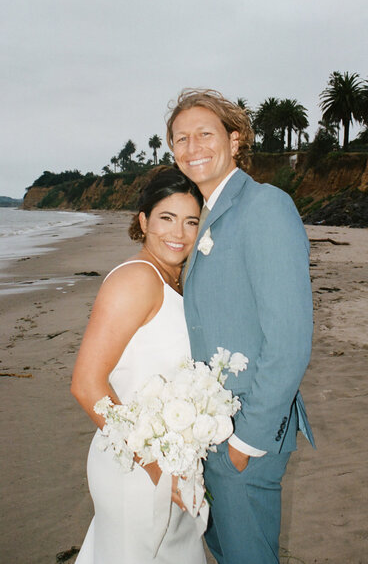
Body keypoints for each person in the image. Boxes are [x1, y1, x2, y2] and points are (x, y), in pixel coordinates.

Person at [166, 89, 315, 564]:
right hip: (210, 429)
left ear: (235, 140)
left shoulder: (265, 207)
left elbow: (289, 340)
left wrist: (246, 440)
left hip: (247, 432)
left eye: (204, 134)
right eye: (181, 138)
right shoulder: (204, 214)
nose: (192, 148)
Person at [71, 167, 206, 564]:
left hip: (172, 463)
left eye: (191, 221)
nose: (178, 233)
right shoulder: (136, 280)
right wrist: (156, 469)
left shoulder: (178, 280)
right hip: (136, 470)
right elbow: (86, 384)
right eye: (166, 218)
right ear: (144, 220)